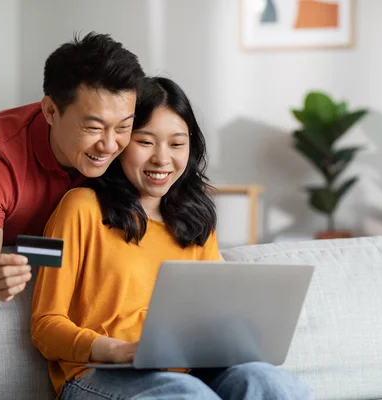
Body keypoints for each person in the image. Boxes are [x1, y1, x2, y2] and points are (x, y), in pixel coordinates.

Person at [31, 77, 312, 399]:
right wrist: (114, 350)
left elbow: (212, 318)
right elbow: (45, 325)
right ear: (120, 142)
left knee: (270, 382)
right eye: (146, 142)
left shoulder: (196, 220)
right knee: (186, 393)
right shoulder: (80, 208)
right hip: (97, 373)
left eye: (176, 144)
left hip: (190, 369)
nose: (162, 159)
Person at [0, 32, 145, 311]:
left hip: (40, 249)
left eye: (123, 127)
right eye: (93, 127)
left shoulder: (127, 147)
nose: (109, 144)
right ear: (51, 112)